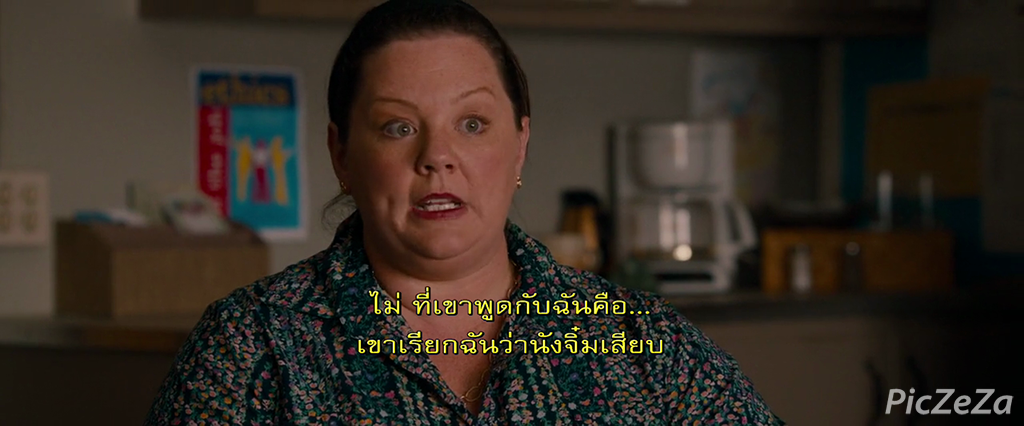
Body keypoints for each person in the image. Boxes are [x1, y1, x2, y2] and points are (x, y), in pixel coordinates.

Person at [145, 0, 784, 424]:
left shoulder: (645, 343)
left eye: (472, 123)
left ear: (520, 144)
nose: (438, 157)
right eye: (398, 127)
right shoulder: (249, 347)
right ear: (342, 153)